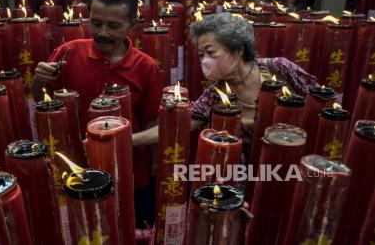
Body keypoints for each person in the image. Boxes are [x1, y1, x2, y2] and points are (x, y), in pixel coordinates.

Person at [32, 0, 162, 227]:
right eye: (96, 23)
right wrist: (39, 80)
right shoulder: (68, 52)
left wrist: (155, 162)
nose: (102, 32)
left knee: (134, 228)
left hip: (131, 167)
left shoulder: (145, 66)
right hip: (75, 163)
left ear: (132, 25)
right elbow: (42, 102)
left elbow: (150, 119)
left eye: (114, 26)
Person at [133, 12, 317, 158]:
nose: (204, 61)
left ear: (238, 49)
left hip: (294, 166)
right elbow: (176, 126)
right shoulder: (215, 94)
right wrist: (129, 139)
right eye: (201, 55)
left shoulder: (279, 69)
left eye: (210, 52)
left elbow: (320, 104)